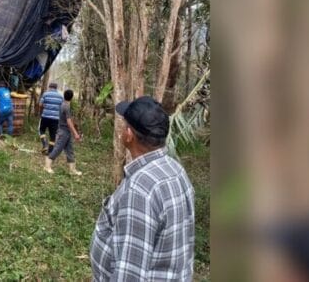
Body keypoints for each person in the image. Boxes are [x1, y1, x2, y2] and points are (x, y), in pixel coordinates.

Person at [90, 96, 195, 281]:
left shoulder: (140, 189)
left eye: (124, 125)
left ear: (129, 135)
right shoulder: (175, 169)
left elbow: (130, 273)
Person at [43, 89, 82, 175]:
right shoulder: (66, 106)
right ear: (72, 97)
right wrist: (76, 133)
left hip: (66, 132)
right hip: (63, 131)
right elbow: (68, 122)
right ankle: (47, 166)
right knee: (57, 149)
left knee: (70, 150)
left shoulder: (63, 104)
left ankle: (72, 170)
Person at [38, 82, 64, 154]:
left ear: (49, 87)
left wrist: (45, 106)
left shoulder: (45, 94)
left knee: (41, 130)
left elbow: (40, 105)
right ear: (56, 88)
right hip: (55, 118)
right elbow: (62, 108)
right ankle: (50, 151)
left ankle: (45, 145)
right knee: (53, 135)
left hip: (45, 116)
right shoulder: (60, 96)